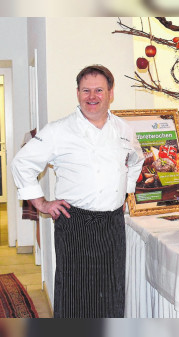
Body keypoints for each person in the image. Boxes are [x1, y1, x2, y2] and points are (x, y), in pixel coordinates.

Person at [11, 65, 145, 318]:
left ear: (110, 93)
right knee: (75, 294)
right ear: (77, 93)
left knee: (111, 290)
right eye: (86, 90)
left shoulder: (123, 129)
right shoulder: (58, 130)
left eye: (98, 90)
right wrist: (41, 203)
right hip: (75, 223)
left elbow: (136, 160)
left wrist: (127, 192)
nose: (92, 96)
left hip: (112, 223)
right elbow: (22, 163)